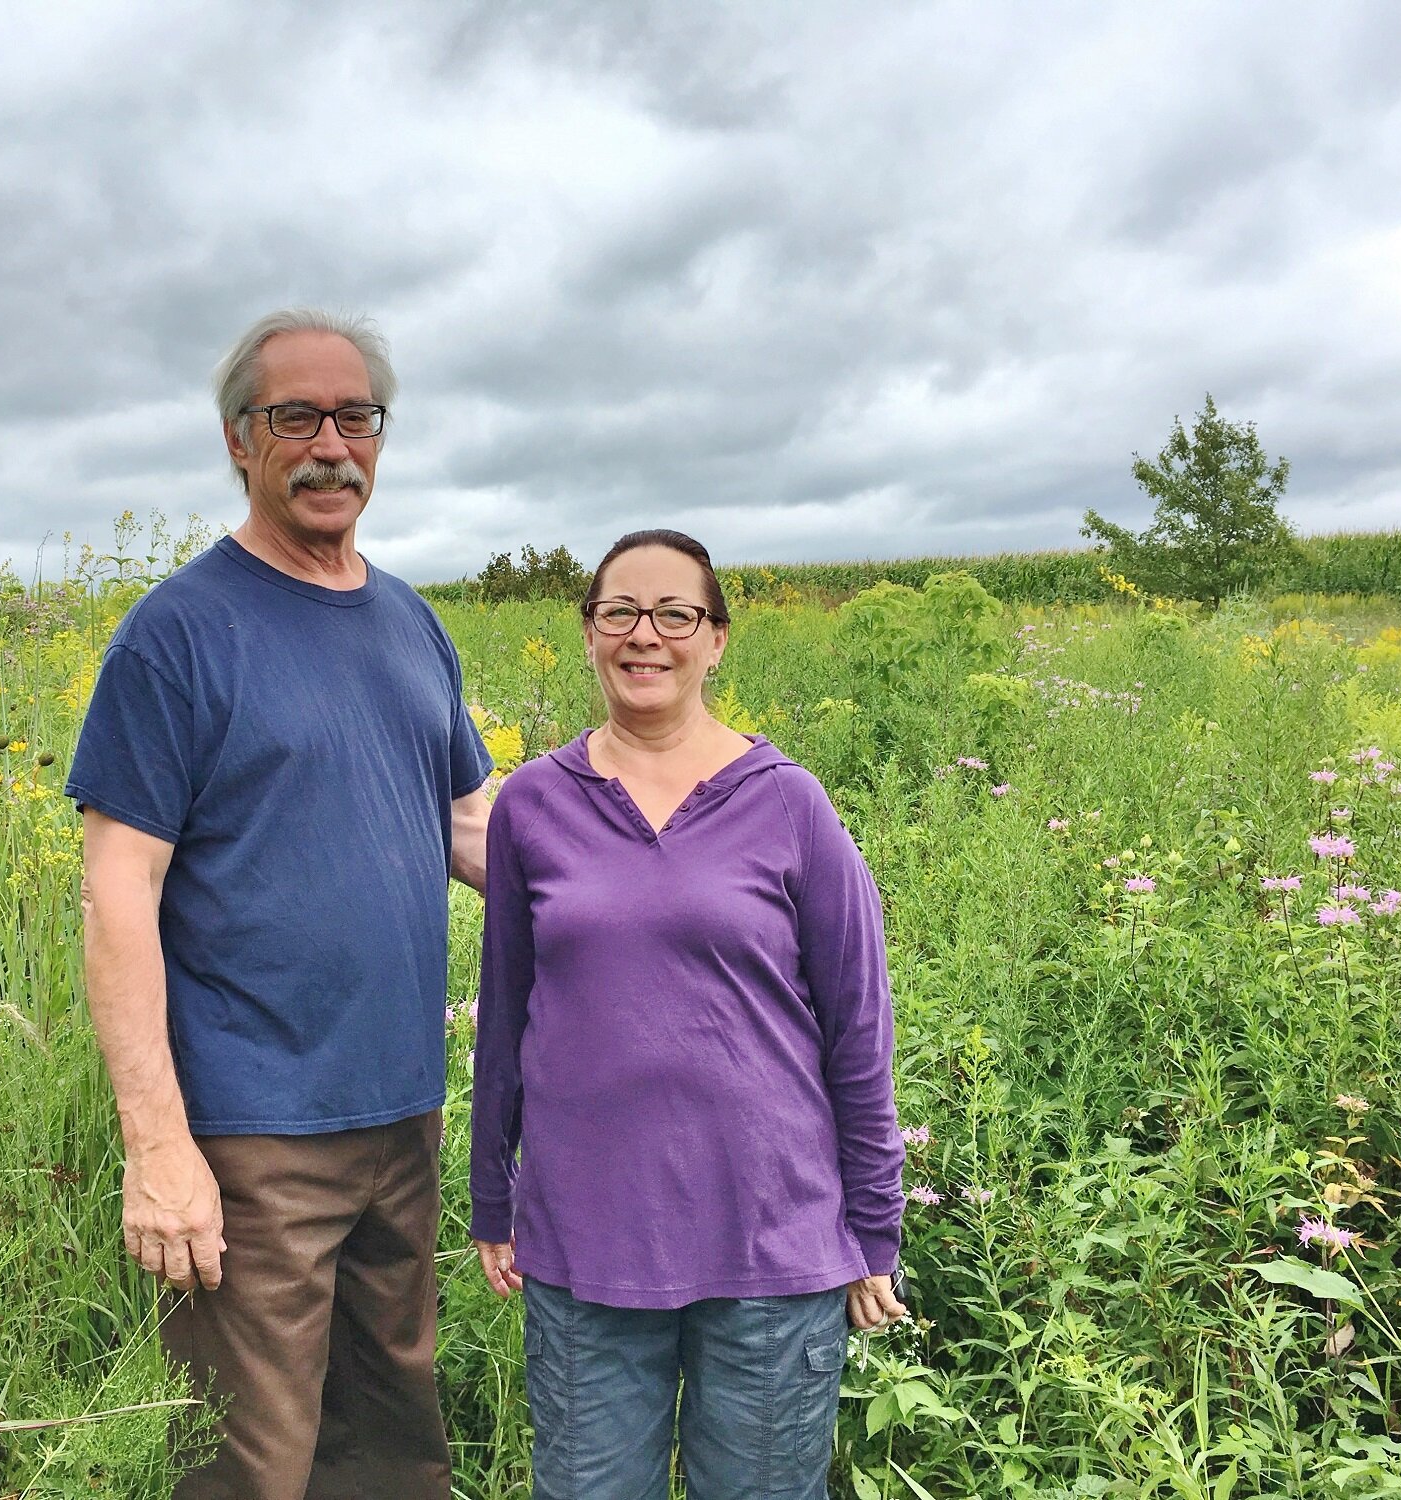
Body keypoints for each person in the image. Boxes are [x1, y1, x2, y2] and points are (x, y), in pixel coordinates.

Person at [64, 308, 493, 1500]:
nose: (329, 445)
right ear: (235, 442)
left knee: (395, 1443)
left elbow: (468, 826)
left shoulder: (408, 620)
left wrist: (651, 869)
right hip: (251, 1136)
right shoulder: (179, 636)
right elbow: (117, 890)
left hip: (400, 1115)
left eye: (355, 417)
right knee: (249, 1463)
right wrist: (159, 1149)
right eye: (292, 417)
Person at [468, 529, 907, 1500]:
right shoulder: (533, 805)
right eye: (619, 610)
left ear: (715, 640)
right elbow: (502, 1015)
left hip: (770, 1244)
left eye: (675, 613)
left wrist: (873, 1224)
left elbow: (856, 1028)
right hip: (585, 1245)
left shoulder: (789, 805)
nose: (644, 635)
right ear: (587, 632)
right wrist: (490, 1195)